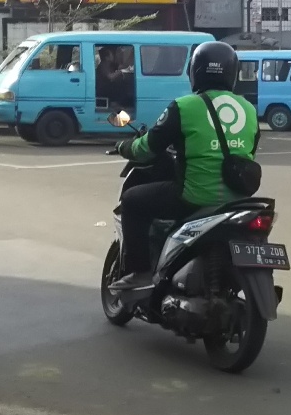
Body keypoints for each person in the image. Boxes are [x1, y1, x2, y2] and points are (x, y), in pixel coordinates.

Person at [109, 42, 261, 291]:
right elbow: (249, 152)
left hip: (194, 196)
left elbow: (148, 148)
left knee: (132, 200)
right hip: (237, 198)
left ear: (196, 72)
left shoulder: (184, 106)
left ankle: (140, 273)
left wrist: (125, 147)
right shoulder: (248, 109)